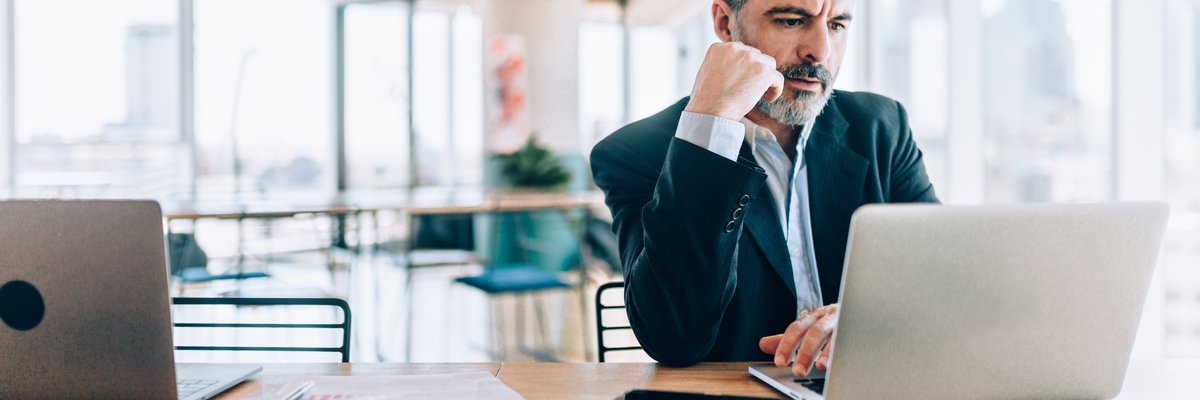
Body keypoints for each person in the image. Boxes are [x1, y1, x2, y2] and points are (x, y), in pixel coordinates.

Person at [588, 0, 939, 375]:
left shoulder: (882, 127)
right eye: (792, 21)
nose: (821, 51)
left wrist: (864, 320)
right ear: (725, 22)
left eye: (837, 25)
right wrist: (710, 125)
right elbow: (673, 337)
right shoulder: (634, 153)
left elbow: (943, 280)